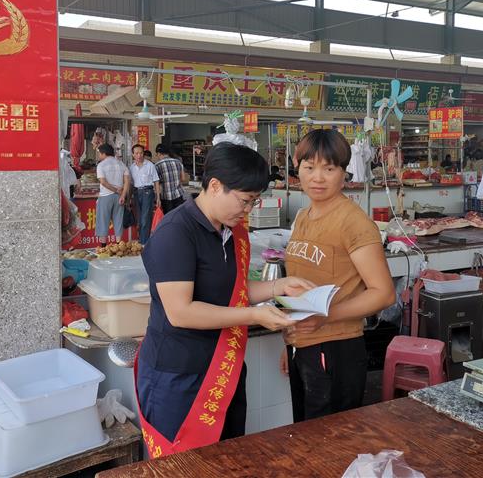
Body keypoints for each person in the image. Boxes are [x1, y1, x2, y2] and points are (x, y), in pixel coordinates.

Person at [136, 143, 314, 458]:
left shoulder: (229, 231)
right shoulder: (176, 233)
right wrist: (255, 316)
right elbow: (181, 312)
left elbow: (233, 289)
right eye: (245, 200)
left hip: (223, 368)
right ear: (216, 186)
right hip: (179, 374)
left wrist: (279, 287)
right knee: (182, 466)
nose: (248, 210)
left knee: (227, 458)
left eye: (254, 201)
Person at [279, 129, 395, 422]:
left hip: (336, 347)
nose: (317, 178)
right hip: (303, 346)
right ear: (297, 168)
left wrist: (326, 317)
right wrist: (290, 343)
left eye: (329, 169)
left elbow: (383, 293)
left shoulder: (353, 222)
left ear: (344, 173)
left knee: (331, 438)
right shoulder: (304, 216)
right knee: (305, 432)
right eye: (309, 167)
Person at [95, 143, 130, 245]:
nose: (99, 155)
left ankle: (103, 246)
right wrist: (122, 195)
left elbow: (103, 182)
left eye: (99, 153)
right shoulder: (121, 164)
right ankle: (119, 245)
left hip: (105, 196)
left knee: (103, 221)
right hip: (119, 197)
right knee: (118, 220)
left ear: (104, 153)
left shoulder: (101, 165)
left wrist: (115, 190)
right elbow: (127, 181)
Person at [129, 144, 161, 245]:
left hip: (148, 193)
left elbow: (156, 181)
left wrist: (158, 197)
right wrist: (129, 198)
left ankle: (144, 243)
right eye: (136, 153)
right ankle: (141, 241)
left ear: (143, 153)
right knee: (139, 219)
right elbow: (130, 184)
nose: (139, 155)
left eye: (141, 153)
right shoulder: (131, 167)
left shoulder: (150, 165)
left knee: (145, 219)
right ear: (133, 155)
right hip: (136, 193)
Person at [154, 143, 186, 214]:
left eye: (157, 155)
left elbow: (156, 183)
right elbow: (183, 179)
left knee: (169, 217)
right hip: (178, 195)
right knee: (179, 216)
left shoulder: (157, 165)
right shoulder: (178, 162)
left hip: (166, 197)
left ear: (159, 153)